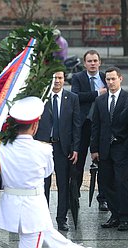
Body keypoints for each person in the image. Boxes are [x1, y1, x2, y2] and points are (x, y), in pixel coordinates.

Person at [0, 96, 84, 248]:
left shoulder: (0, 147)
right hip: (34, 209)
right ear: (35, 126)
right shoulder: (44, 148)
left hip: (11, 207)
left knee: (50, 238)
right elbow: (48, 172)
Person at [35, 71, 81, 231]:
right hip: (43, 147)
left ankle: (62, 219)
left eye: (60, 78)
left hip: (63, 148)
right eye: (54, 78)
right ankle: (43, 218)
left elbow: (77, 124)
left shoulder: (72, 98)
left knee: (63, 184)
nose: (57, 81)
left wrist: (76, 148)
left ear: (64, 80)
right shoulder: (41, 98)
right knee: (44, 185)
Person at [90, 66, 128, 231]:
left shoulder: (127, 99)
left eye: (113, 79)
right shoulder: (100, 100)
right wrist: (94, 149)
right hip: (104, 149)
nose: (111, 82)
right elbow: (96, 126)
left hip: (122, 149)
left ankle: (125, 217)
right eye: (108, 79)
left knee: (122, 183)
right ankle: (114, 215)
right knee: (107, 183)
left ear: (121, 79)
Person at [71, 50, 108, 211]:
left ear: (100, 62)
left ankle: (103, 198)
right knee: (78, 163)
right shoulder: (78, 78)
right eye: (89, 61)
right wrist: (96, 94)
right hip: (83, 125)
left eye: (95, 61)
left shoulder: (105, 77)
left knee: (103, 162)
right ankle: (74, 196)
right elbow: (75, 96)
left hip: (100, 126)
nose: (92, 64)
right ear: (85, 63)